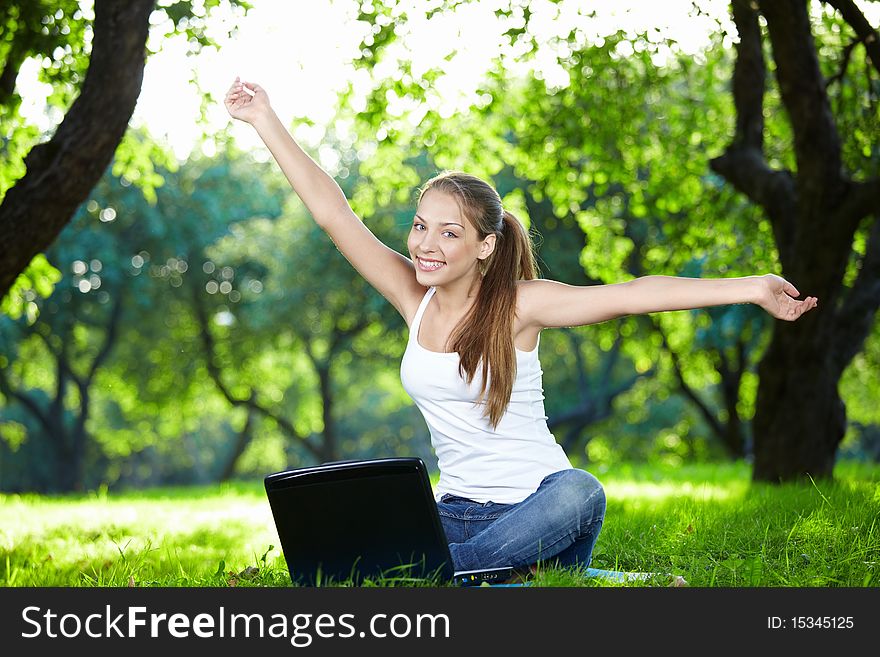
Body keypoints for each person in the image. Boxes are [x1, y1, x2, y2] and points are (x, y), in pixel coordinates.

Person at [224, 77, 818, 582]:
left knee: (582, 489)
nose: (427, 244)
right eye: (420, 226)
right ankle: (489, 575)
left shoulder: (518, 305)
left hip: (544, 509)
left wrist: (750, 286)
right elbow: (335, 213)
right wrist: (264, 119)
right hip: (454, 511)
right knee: (385, 514)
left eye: (449, 232)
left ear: (485, 245)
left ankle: (438, 574)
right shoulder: (413, 297)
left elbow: (632, 297)